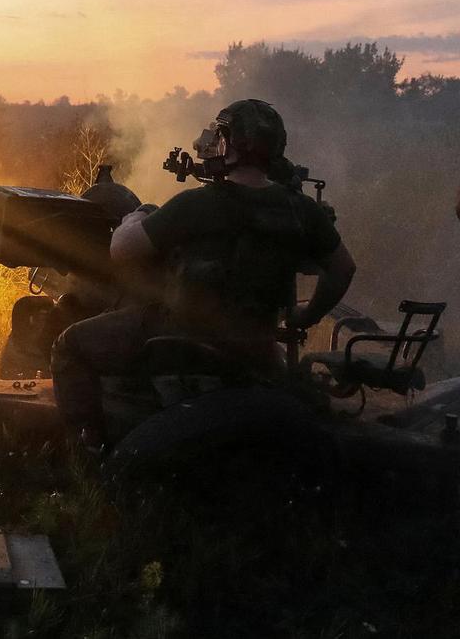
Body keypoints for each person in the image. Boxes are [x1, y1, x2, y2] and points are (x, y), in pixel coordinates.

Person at [51, 99, 358, 450]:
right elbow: (342, 268)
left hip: (182, 336)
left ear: (228, 143)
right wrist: (307, 315)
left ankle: (87, 455)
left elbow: (123, 251)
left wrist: (135, 217)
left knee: (69, 346)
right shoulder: (302, 209)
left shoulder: (198, 203)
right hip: (257, 345)